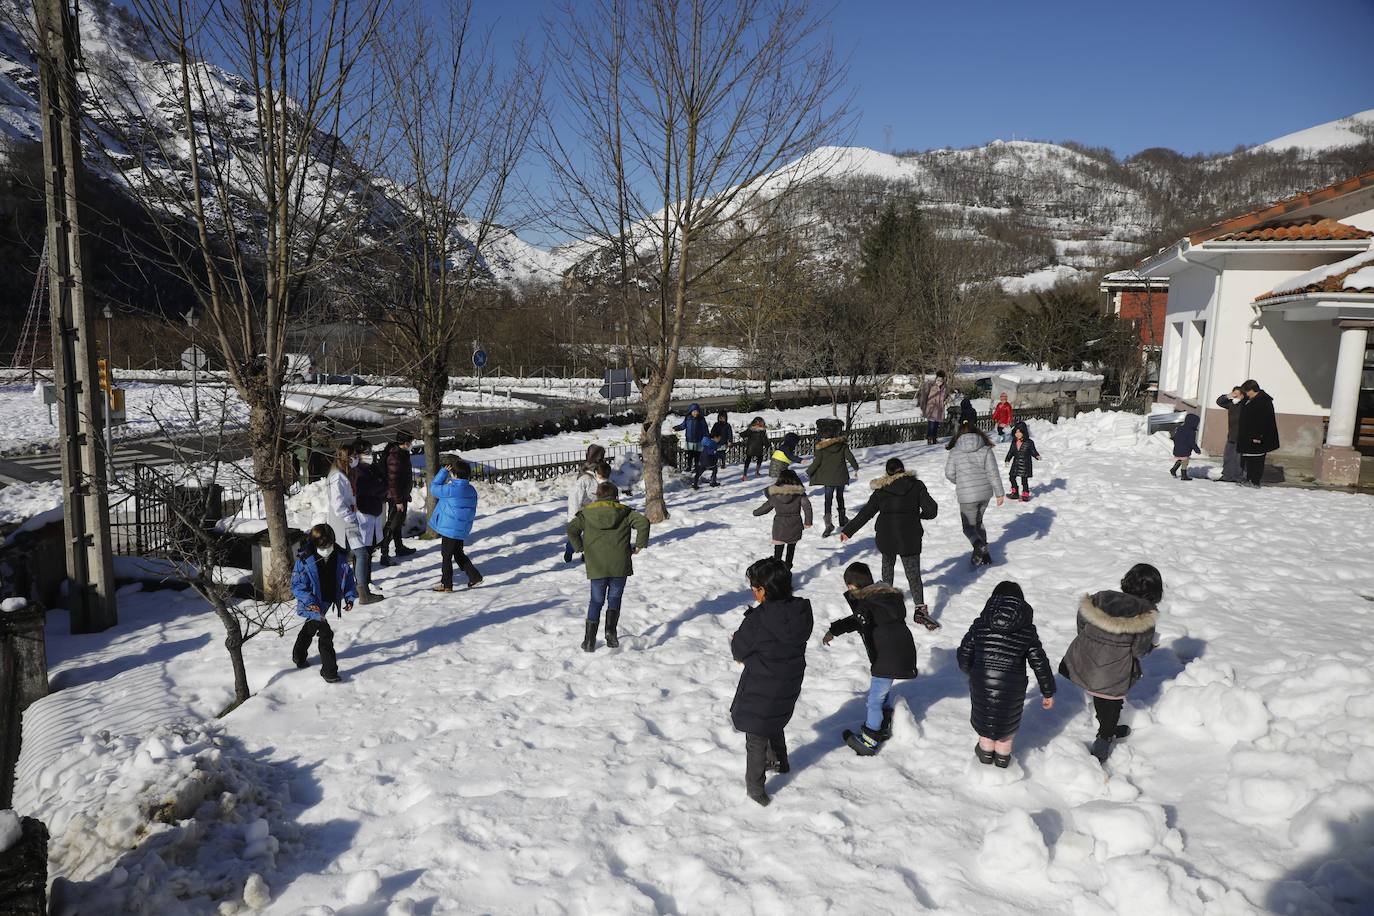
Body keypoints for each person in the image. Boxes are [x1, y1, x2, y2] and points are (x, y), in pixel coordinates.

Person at [1058, 563, 1161, 764]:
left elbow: (1082, 617)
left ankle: (1107, 727)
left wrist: (1088, 640)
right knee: (1111, 701)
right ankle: (1104, 740)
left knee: (1099, 694)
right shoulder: (1146, 616)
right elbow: (1138, 650)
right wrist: (1151, 645)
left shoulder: (1102, 597)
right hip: (1114, 669)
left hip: (1085, 660)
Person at [731, 557, 813, 807]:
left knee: (756, 736)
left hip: (761, 685)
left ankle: (756, 790)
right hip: (788, 682)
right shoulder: (801, 610)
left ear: (763, 591)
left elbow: (739, 650)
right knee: (774, 720)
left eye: (754, 588)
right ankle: (781, 761)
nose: (753, 592)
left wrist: (737, 638)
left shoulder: (758, 619)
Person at [822, 561, 919, 757]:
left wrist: (833, 631)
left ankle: (870, 739)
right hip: (902, 649)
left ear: (852, 586)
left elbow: (856, 621)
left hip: (887, 656)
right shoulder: (887, 597)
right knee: (881, 694)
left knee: (874, 700)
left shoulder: (868, 604)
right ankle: (883, 724)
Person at [956, 581, 1056, 768]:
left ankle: (985, 754)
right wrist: (1047, 691)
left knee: (985, 716)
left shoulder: (980, 624)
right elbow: (1039, 662)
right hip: (1012, 686)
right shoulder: (1027, 630)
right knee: (1006, 724)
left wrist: (971, 671)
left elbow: (964, 653)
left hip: (982, 681)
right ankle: (1002, 758)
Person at [839, 457, 939, 622]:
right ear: (903, 469)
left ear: (888, 472)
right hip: (910, 537)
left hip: (886, 537)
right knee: (913, 574)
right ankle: (920, 609)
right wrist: (920, 515)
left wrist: (848, 531)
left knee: (887, 568)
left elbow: (866, 512)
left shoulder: (882, 489)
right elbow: (932, 509)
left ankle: (887, 604)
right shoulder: (916, 485)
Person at [566, 481, 650, 652]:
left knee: (596, 601)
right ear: (616, 496)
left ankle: (589, 641)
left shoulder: (586, 514)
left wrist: (580, 547)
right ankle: (610, 633)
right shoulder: (625, 512)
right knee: (614, 598)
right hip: (620, 565)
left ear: (597, 495)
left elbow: (571, 529)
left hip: (596, 564)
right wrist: (639, 545)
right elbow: (643, 523)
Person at [290, 523, 357, 684]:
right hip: (311, 602)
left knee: (311, 626)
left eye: (329, 545)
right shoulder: (305, 559)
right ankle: (329, 671)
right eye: (322, 546)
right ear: (314, 544)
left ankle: (298, 655)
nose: (326, 549)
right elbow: (297, 586)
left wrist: (349, 596)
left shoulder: (340, 555)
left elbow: (347, 578)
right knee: (326, 633)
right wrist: (310, 603)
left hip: (326, 600)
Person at [944, 422, 1005, 567]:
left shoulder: (955, 451)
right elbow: (993, 473)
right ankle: (985, 556)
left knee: (968, 527)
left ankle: (978, 546)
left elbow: (949, 473)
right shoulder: (985, 449)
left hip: (967, 496)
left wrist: (960, 482)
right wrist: (999, 493)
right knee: (978, 523)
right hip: (985, 494)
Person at [326, 445, 382, 605]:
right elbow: (338, 504)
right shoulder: (337, 477)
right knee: (362, 554)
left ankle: (349, 589)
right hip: (346, 522)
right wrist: (351, 516)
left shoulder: (343, 474)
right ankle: (363, 593)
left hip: (347, 521)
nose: (357, 459)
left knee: (345, 557)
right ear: (346, 457)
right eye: (354, 456)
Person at [428, 456, 483, 592]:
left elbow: (433, 488)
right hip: (461, 528)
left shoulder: (451, 489)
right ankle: (474, 576)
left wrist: (443, 473)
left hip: (449, 528)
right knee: (458, 553)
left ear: (455, 474)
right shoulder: (471, 490)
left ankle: (446, 584)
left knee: (446, 556)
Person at [752, 468, 812, 568]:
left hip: (779, 527)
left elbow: (765, 508)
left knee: (778, 553)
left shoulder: (775, 495)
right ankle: (788, 570)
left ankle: (776, 573)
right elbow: (807, 507)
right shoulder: (800, 493)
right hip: (795, 525)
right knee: (791, 550)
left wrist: (755, 512)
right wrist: (808, 522)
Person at [806, 426, 859, 538]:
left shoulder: (822, 449)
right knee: (840, 497)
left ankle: (828, 524)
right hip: (840, 477)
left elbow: (816, 463)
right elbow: (850, 457)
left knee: (828, 500)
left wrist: (808, 472)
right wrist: (856, 467)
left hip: (828, 479)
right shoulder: (842, 446)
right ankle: (842, 519)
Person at [351, 440, 388, 589]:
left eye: (370, 452)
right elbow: (365, 489)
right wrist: (376, 487)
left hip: (374, 510)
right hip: (363, 512)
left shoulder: (373, 468)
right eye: (366, 452)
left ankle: (368, 579)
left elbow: (384, 484)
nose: (369, 455)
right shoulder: (356, 470)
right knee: (362, 551)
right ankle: (361, 582)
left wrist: (377, 487)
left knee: (370, 548)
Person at [379, 431, 417, 565]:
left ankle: (399, 547)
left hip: (400, 494)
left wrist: (405, 493)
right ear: (406, 443)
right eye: (411, 442)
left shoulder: (402, 453)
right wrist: (399, 500)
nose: (412, 444)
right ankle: (384, 553)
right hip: (395, 496)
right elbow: (393, 481)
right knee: (392, 523)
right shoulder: (395, 456)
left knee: (398, 522)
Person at [565, 445, 607, 562]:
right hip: (582, 512)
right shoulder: (585, 478)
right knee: (576, 536)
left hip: (595, 511)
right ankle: (569, 550)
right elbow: (575, 498)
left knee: (592, 535)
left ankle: (586, 555)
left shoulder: (601, 473)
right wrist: (573, 516)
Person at [1236, 379, 1279, 487]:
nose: (1245, 394)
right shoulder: (1248, 399)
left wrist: (1258, 436)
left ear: (1252, 390)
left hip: (1258, 437)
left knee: (1256, 459)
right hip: (1247, 435)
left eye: (1246, 391)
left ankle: (1255, 481)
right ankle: (1248, 478)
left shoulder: (1264, 401)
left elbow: (1264, 420)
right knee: (1248, 458)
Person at [1004, 421, 1041, 501]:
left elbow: (1033, 451)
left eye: (1020, 432)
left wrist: (1036, 455)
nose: (1018, 434)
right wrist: (1007, 460)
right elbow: (1011, 452)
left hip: (1025, 463)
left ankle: (1025, 493)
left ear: (1024, 432)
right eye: (1016, 432)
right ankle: (1015, 492)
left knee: (1024, 480)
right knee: (1012, 477)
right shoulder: (1014, 442)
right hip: (1016, 463)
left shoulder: (1029, 442)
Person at [1214, 387, 1244, 483]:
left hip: (1242, 435)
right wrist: (1228, 396)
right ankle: (1227, 475)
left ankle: (1238, 477)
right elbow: (1219, 402)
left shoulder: (1244, 405)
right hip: (1231, 434)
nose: (1234, 395)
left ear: (1242, 395)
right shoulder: (1232, 404)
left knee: (1239, 458)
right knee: (1228, 456)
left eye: (1237, 394)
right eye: (1233, 393)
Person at [674, 404, 709, 474]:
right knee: (690, 455)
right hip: (689, 440)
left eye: (697, 411)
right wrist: (676, 428)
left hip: (698, 441)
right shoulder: (688, 418)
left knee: (697, 455)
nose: (695, 413)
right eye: (694, 411)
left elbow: (705, 429)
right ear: (691, 411)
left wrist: (706, 437)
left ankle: (696, 467)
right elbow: (683, 425)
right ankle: (689, 466)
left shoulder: (701, 419)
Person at [1170, 414, 1201, 481]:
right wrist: (1197, 449)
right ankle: (1184, 475)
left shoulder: (1180, 428)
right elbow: (1191, 442)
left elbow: (1175, 437)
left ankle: (1173, 469)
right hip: (1185, 449)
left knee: (1181, 459)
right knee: (1185, 461)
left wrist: (1176, 443)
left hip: (1177, 448)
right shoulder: (1191, 432)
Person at [923, 370, 948, 445]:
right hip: (932, 408)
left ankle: (934, 438)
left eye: (941, 379)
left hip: (940, 408)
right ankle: (930, 439)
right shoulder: (932, 386)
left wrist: (945, 401)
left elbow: (945, 396)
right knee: (931, 424)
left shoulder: (944, 387)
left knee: (936, 425)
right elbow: (927, 396)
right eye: (939, 379)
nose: (940, 381)